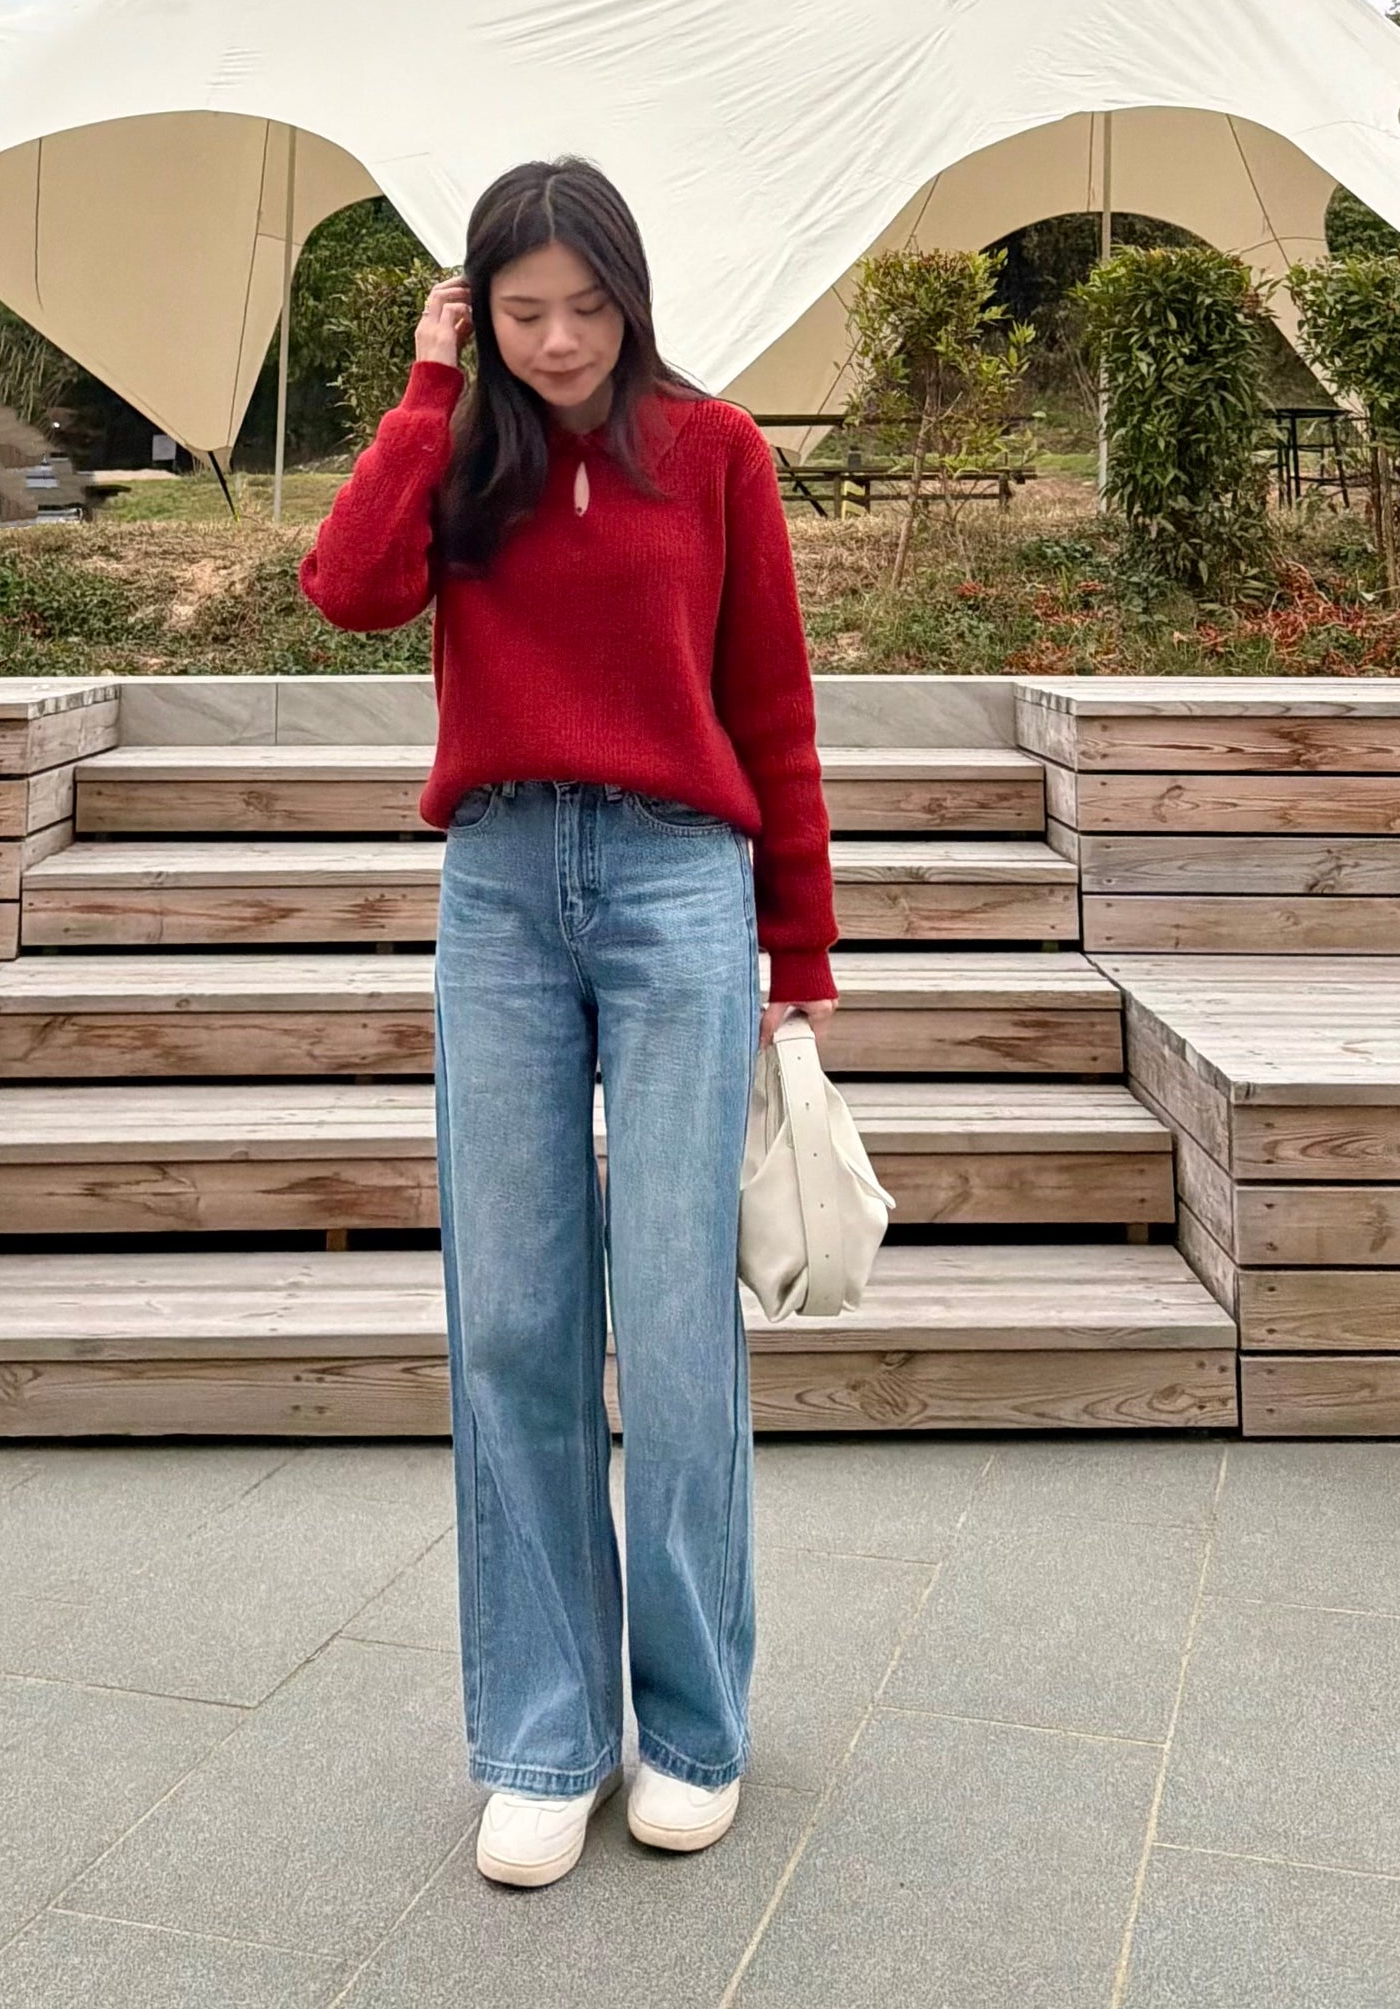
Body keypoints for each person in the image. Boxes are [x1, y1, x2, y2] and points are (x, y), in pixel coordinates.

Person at [298, 156, 838, 1889]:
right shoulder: (459, 449)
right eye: (520, 311)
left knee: (674, 1320)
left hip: (681, 884)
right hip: (502, 888)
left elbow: (769, 697)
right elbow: (347, 589)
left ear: (632, 294)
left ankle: (692, 1727)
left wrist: (800, 946)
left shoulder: (716, 450)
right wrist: (423, 390)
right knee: (514, 1319)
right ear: (478, 309)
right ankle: (541, 1738)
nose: (555, 340)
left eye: (584, 308)